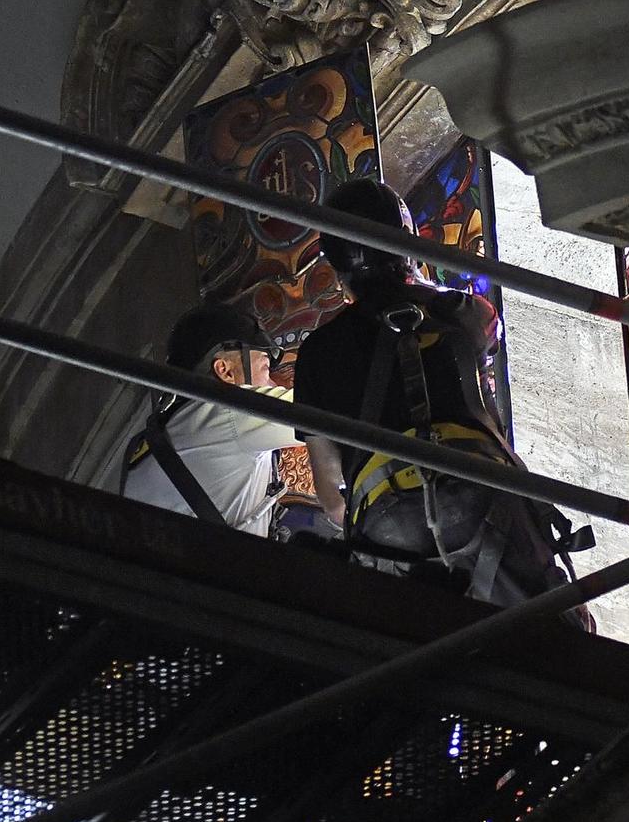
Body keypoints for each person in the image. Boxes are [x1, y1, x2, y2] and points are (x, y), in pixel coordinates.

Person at [292, 178, 588, 613]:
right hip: (487, 493)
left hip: (388, 518)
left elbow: (333, 499)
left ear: (337, 268)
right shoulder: (472, 314)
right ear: (410, 244)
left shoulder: (318, 352)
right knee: (552, 636)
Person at [122, 303, 300, 535]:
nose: (274, 385)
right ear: (225, 371)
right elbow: (331, 407)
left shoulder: (177, 425)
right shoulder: (228, 413)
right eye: (265, 369)